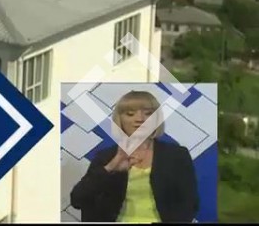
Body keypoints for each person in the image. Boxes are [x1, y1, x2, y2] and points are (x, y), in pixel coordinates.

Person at [69, 90, 199, 223]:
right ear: (120, 120)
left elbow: (189, 204)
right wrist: (111, 167)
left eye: (148, 114)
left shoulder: (176, 155)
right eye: (130, 114)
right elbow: (77, 200)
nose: (140, 119)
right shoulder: (106, 157)